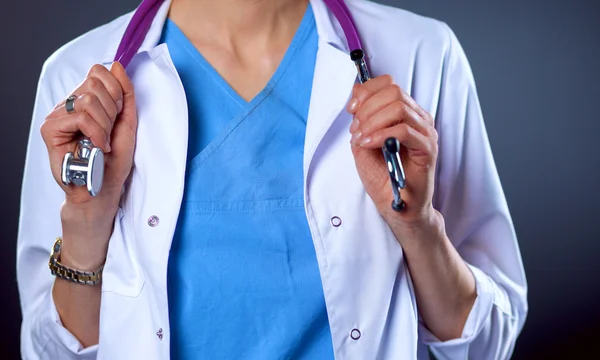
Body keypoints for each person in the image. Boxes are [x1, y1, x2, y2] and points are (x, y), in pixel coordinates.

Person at [17, 0, 528, 359]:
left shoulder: (422, 54)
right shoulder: (76, 81)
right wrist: (88, 220)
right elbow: (55, 354)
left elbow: (485, 344)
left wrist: (417, 226)